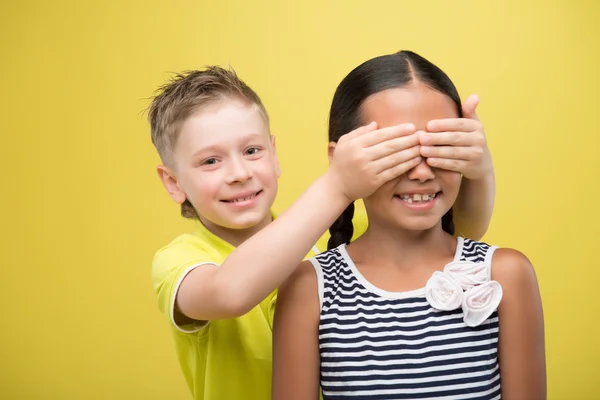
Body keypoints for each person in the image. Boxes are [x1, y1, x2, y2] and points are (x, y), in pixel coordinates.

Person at [148, 65, 497, 400]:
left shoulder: (337, 239)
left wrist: (480, 170)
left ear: (274, 153)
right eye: (211, 161)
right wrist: (337, 186)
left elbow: (457, 234)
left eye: (252, 151)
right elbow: (228, 293)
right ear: (173, 183)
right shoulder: (178, 262)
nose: (238, 173)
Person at [271, 51, 546, 400]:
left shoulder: (506, 275)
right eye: (395, 151)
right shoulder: (309, 288)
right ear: (340, 157)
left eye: (441, 147)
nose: (421, 172)